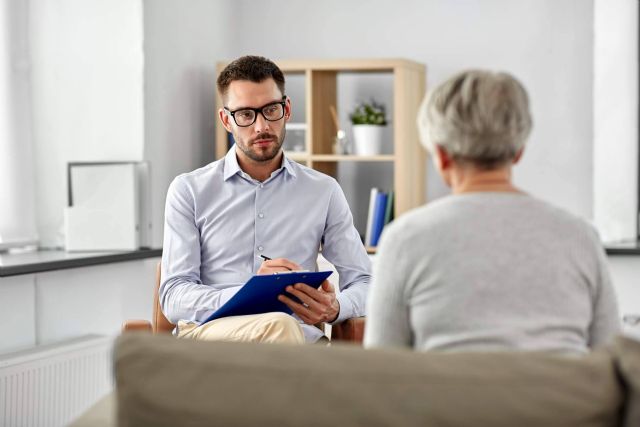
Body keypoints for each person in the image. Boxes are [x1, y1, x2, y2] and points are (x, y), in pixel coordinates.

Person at [363, 70, 620, 353]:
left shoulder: (404, 239)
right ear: (519, 150)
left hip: (449, 398)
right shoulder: (580, 236)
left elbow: (382, 371)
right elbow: (611, 360)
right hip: (563, 397)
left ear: (442, 154)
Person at [160, 55, 371, 344]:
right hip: (212, 339)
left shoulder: (324, 191)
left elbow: (365, 281)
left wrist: (336, 308)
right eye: (246, 114)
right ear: (226, 120)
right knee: (279, 326)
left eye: (271, 110)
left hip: (298, 341)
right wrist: (252, 291)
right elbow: (173, 297)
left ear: (286, 110)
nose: (261, 127)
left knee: (284, 329)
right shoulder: (189, 190)